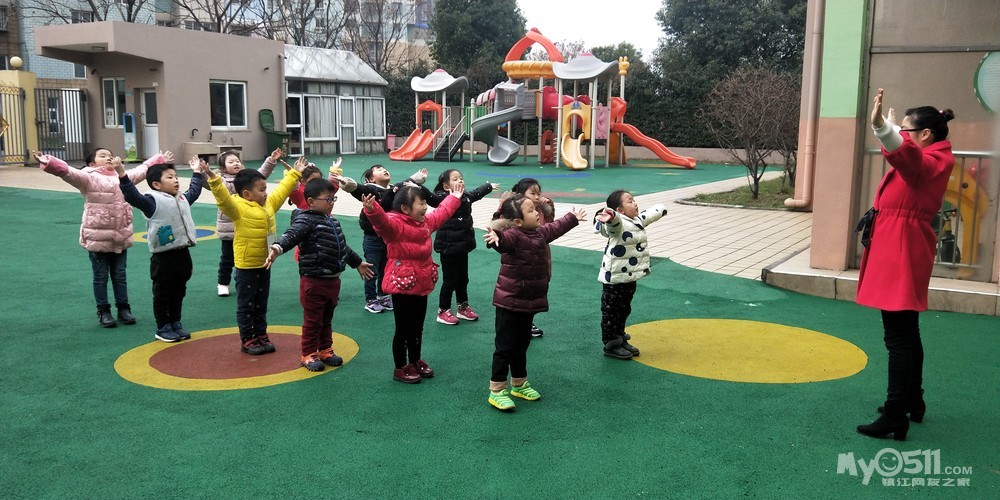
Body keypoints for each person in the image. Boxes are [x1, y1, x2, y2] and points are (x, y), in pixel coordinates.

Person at [855, 88, 955, 441]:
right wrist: (893, 130)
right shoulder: (933, 158)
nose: (902, 135)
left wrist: (883, 128)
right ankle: (912, 400)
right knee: (907, 331)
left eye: (907, 130)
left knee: (897, 335)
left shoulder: (929, 161)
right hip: (902, 244)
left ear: (925, 135)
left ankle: (896, 412)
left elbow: (907, 157)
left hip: (901, 247)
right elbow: (906, 155)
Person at [35, 148, 174, 328]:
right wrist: (48, 161)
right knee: (100, 276)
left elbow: (143, 169)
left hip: (120, 235)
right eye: (102, 155)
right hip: (98, 236)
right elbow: (68, 172)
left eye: (110, 155)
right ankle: (104, 311)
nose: (108, 157)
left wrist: (159, 158)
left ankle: (123, 308)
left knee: (120, 275)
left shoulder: (122, 176)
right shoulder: (87, 177)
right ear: (91, 163)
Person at [483, 194, 585, 411]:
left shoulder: (539, 233)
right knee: (505, 346)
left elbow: (555, 228)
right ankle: (497, 389)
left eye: (535, 209)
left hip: (528, 302)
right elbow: (504, 241)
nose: (537, 213)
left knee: (521, 344)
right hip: (509, 302)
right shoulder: (513, 235)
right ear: (517, 221)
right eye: (531, 211)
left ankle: (519, 383)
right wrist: (496, 237)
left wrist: (572, 218)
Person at [265, 178, 374, 371]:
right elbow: (292, 235)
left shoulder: (332, 221)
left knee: (326, 318)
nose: (332, 203)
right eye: (328, 199)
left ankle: (325, 349)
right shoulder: (305, 220)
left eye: (334, 199)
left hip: (333, 280)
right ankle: (308, 353)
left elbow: (342, 246)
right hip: (313, 280)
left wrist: (357, 263)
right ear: (311, 201)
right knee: (313, 320)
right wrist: (277, 247)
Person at [361, 183, 463, 384]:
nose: (425, 207)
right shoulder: (395, 225)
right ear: (405, 209)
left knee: (417, 326)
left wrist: (454, 198)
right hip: (402, 284)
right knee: (403, 328)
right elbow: (382, 223)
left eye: (425, 203)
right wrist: (372, 210)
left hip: (421, 282)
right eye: (421, 204)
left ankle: (415, 360)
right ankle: (400, 367)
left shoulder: (425, 223)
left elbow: (441, 213)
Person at [208, 154, 306, 355]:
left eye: (265, 189)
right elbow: (223, 200)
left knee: (261, 303)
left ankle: (261, 334)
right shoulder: (237, 207)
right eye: (261, 190)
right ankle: (248, 339)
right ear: (247, 194)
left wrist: (294, 174)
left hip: (265, 263)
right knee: (247, 305)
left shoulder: (268, 204)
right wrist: (214, 180)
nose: (266, 193)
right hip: (246, 265)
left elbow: (282, 191)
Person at [118, 156, 210, 342]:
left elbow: (194, 190)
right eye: (170, 177)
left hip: (182, 253)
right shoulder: (152, 201)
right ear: (156, 184)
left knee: (179, 291)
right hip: (163, 258)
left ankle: (175, 322)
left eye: (176, 176)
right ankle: (163, 327)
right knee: (162, 293)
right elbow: (132, 196)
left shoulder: (182, 198)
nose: (175, 180)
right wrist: (121, 173)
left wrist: (196, 171)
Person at [335, 165, 428, 314]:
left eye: (384, 168)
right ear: (370, 179)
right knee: (372, 269)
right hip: (373, 238)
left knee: (386, 267)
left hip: (389, 239)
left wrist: (417, 178)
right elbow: (358, 189)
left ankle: (383, 295)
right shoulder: (371, 190)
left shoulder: (393, 189)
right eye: (378, 169)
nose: (384, 170)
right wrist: (347, 183)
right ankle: (371, 299)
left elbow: (403, 185)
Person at [594, 191, 668, 359]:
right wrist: (611, 216)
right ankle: (611, 344)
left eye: (634, 200)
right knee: (611, 312)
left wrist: (661, 208)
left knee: (624, 309)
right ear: (620, 210)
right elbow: (613, 225)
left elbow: (649, 215)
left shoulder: (635, 220)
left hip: (628, 277)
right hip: (614, 278)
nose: (635, 203)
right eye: (630, 201)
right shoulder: (618, 223)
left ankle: (620, 338)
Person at [426, 169, 499, 325]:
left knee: (463, 279)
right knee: (450, 281)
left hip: (463, 246)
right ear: (446, 186)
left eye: (461, 178)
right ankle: (443, 310)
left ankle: (462, 307)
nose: (460, 180)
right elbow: (430, 198)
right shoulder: (443, 198)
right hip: (448, 247)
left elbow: (476, 193)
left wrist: (488, 187)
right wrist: (417, 184)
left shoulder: (466, 197)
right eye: (455, 179)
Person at [214, 148, 283, 297]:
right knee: (228, 258)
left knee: (256, 253)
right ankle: (223, 283)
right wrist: (206, 173)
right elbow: (219, 192)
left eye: (237, 161)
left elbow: (261, 175)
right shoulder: (223, 181)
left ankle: (244, 279)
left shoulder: (248, 178)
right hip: (229, 228)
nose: (236, 163)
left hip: (251, 227)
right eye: (231, 162)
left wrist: (271, 160)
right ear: (223, 168)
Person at [510, 178, 556, 338]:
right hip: (523, 259)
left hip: (541, 257)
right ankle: (520, 322)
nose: (537, 197)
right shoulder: (515, 211)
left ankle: (528, 321)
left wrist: (549, 206)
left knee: (537, 288)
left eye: (538, 194)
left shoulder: (540, 210)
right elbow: (503, 224)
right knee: (522, 290)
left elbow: (551, 225)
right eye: (533, 193)